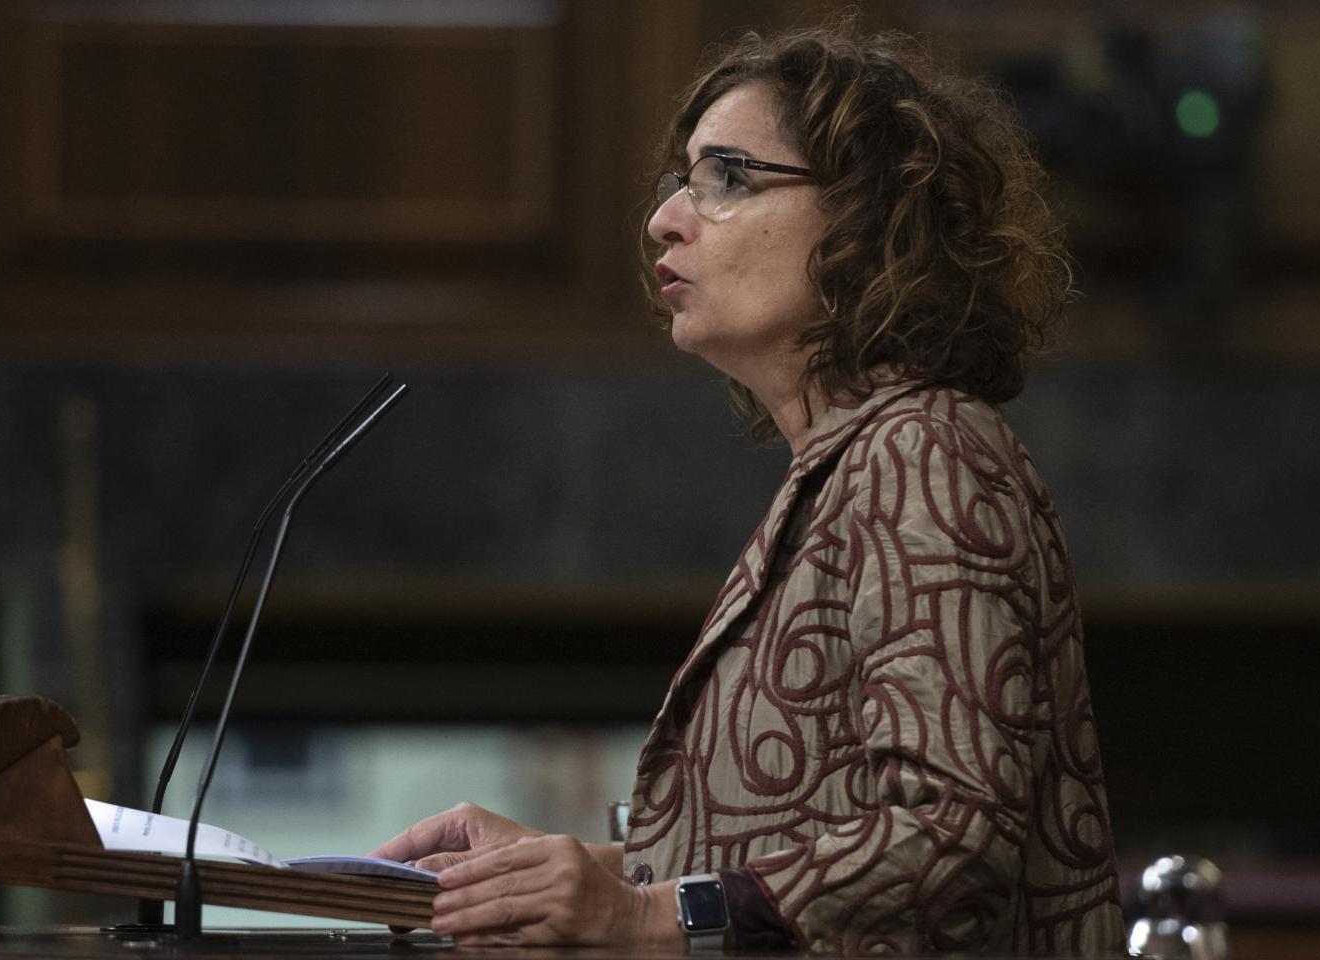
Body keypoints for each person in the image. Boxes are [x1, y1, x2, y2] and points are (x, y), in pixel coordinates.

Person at [370, 22, 1123, 956]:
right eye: (681, 180)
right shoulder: (856, 459)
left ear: (865, 217)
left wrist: (643, 915)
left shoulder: (926, 449)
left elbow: (950, 832)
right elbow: (811, 834)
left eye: (727, 176)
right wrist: (590, 872)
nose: (666, 218)